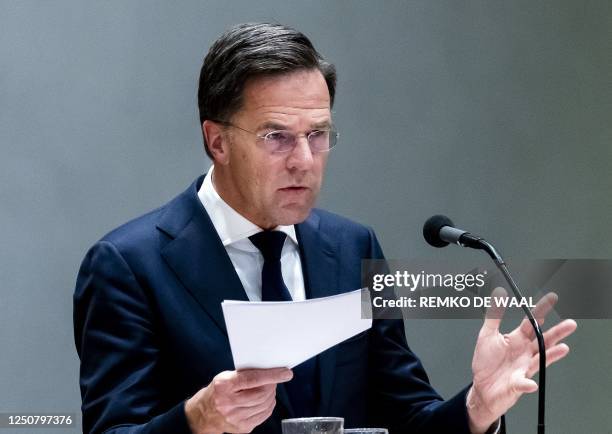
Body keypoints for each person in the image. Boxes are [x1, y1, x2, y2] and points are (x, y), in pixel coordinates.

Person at [73, 22, 577, 434]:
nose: (305, 160)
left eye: (318, 135)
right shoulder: (128, 265)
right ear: (217, 141)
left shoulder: (353, 247)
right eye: (277, 137)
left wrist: (476, 408)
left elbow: (404, 418)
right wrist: (195, 420)